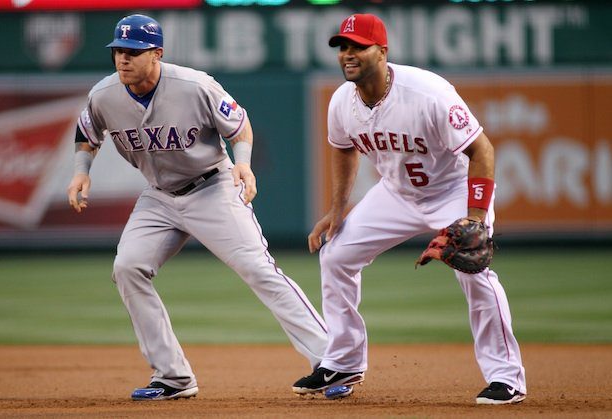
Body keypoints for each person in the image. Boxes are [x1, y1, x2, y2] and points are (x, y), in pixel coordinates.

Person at [67, 14, 327, 401]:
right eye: (118, 51)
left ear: (157, 54)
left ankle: (331, 359)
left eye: (133, 52)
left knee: (258, 268)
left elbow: (239, 125)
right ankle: (172, 376)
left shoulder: (194, 85)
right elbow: (87, 134)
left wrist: (243, 163)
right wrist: (81, 171)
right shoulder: (104, 94)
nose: (123, 59)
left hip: (211, 187)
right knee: (128, 268)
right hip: (158, 196)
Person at [292, 13, 526, 404]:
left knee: (474, 273)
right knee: (336, 257)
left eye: (358, 47)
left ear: (382, 52)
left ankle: (507, 378)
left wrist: (475, 218)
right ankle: (344, 361)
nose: (348, 54)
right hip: (397, 193)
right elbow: (344, 149)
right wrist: (338, 209)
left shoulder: (427, 93)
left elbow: (482, 150)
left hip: (451, 190)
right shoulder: (342, 101)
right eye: (343, 47)